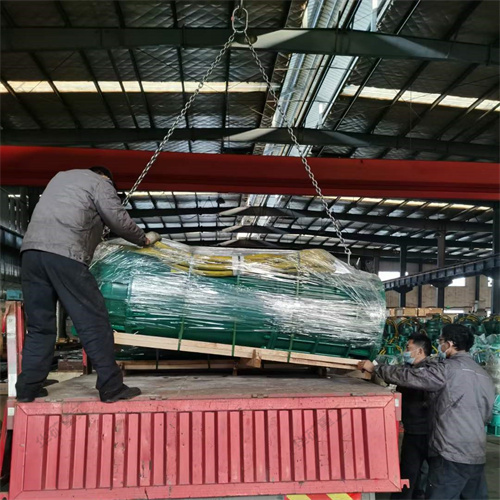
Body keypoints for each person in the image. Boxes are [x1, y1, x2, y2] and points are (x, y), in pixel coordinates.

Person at [16, 166, 161, 403]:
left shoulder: (60, 178)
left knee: (40, 326)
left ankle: (27, 388)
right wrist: (142, 239)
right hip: (65, 255)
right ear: (107, 178)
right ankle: (111, 387)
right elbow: (117, 218)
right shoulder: (100, 183)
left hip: (31, 254)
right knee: (93, 321)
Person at [359, 324, 495, 500]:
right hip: (476, 452)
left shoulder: (446, 370)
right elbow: (487, 415)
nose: (439, 346)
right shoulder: (483, 375)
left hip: (450, 451)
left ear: (449, 344)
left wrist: (376, 368)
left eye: (441, 341)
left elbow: (410, 376)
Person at [391, 333, 432, 500]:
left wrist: (378, 369)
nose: (405, 352)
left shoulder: (427, 371)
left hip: (423, 430)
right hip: (413, 428)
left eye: (408, 348)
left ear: (420, 351)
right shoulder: (412, 369)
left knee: (411, 471)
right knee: (414, 470)